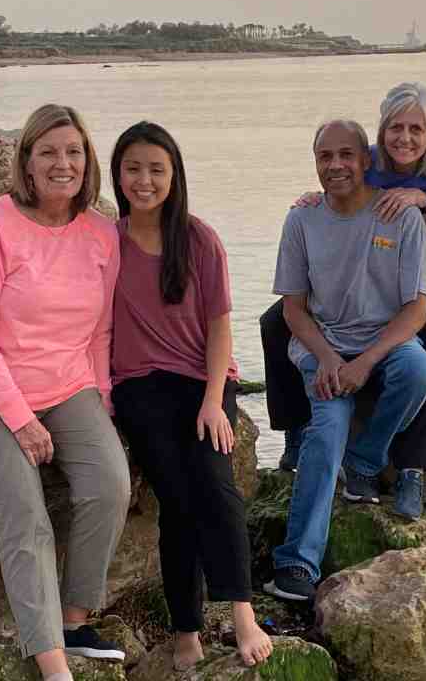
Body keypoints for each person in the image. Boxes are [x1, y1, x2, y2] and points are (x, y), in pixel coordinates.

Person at [0, 104, 131, 681]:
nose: (62, 163)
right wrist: (22, 419)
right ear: (26, 162)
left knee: (110, 484)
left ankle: (75, 619)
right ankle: (52, 662)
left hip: (69, 386)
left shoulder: (101, 232)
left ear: (88, 161)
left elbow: (100, 329)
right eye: (48, 151)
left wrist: (100, 402)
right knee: (25, 516)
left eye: (73, 152)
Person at [264, 82, 426, 519]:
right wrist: (311, 199)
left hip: (424, 275)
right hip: (369, 269)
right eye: (395, 127)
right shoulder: (372, 159)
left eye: (416, 128)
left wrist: (424, 202)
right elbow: (341, 183)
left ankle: (412, 466)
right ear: (381, 132)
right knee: (274, 323)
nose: (405, 138)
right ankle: (294, 432)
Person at [109, 121, 273, 670]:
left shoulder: (198, 238)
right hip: (138, 387)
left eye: (157, 169)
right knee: (177, 502)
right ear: (117, 173)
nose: (144, 180)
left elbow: (220, 323)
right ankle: (186, 630)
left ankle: (243, 612)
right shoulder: (107, 241)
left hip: (204, 380)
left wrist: (212, 398)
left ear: (175, 175)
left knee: (215, 484)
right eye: (133, 168)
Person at [264, 119, 426, 602]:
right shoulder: (302, 219)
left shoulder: (397, 217)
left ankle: (364, 462)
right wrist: (326, 359)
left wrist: (366, 362)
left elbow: (417, 308)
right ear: (316, 163)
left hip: (382, 343)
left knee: (419, 370)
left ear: (365, 160)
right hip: (323, 346)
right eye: (325, 157)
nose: (335, 165)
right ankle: (297, 562)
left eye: (346, 155)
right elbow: (293, 308)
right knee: (327, 429)